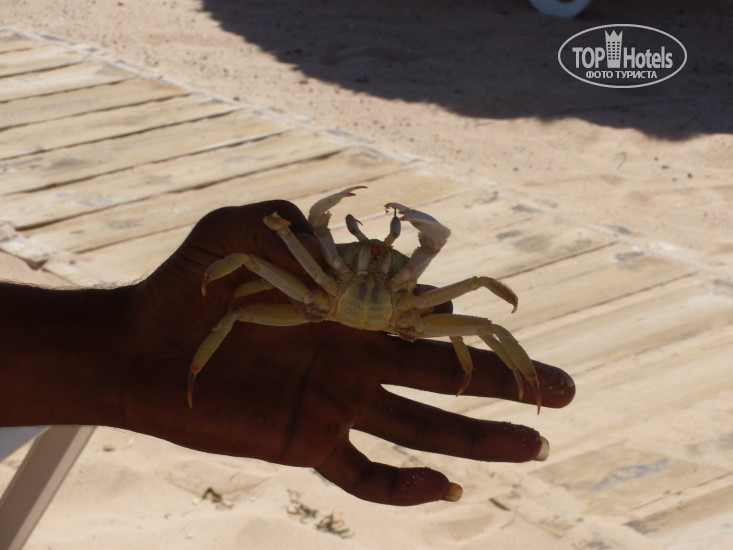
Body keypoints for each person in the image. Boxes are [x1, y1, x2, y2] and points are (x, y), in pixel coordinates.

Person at [0, 200, 574, 506]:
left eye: (384, 256)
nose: (374, 259)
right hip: (324, 303)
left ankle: (517, 380)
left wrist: (124, 349)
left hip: (369, 312)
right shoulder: (330, 270)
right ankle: (192, 367)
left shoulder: (399, 283)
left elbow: (475, 316)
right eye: (365, 250)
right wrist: (132, 351)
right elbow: (257, 263)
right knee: (241, 305)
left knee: (479, 324)